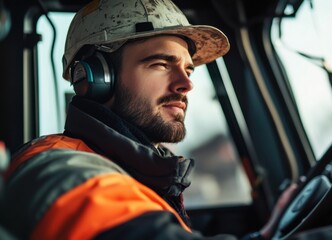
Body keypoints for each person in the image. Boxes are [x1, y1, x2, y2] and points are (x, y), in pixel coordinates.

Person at [0, 0, 297, 239]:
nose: (186, 84)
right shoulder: (60, 168)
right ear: (97, 78)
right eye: (159, 64)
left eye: (188, 70)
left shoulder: (139, 170)